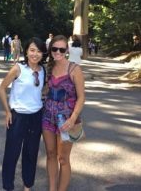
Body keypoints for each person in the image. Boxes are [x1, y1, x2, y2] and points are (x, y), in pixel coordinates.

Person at [0, 37, 46, 191]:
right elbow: (1, 88)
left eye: (39, 51)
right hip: (17, 116)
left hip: (36, 116)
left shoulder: (43, 70)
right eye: (32, 50)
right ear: (26, 51)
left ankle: (27, 186)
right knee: (12, 153)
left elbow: (40, 90)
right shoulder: (18, 68)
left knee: (31, 154)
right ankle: (8, 186)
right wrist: (7, 111)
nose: (35, 54)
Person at [42, 35, 85, 191]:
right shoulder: (48, 67)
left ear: (67, 50)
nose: (58, 52)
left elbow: (81, 98)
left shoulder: (74, 69)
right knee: (51, 154)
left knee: (63, 158)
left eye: (61, 49)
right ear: (51, 49)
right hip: (47, 117)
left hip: (66, 119)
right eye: (54, 49)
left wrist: (73, 119)